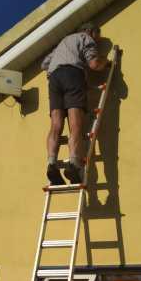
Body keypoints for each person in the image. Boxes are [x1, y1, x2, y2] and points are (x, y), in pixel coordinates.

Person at [41, 22, 109, 185]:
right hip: (72, 75)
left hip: (54, 79)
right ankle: (73, 164)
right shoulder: (85, 38)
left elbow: (44, 64)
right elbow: (94, 64)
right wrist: (106, 62)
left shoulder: (63, 43)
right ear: (90, 31)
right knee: (75, 125)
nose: (96, 41)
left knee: (56, 125)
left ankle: (51, 163)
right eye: (96, 37)